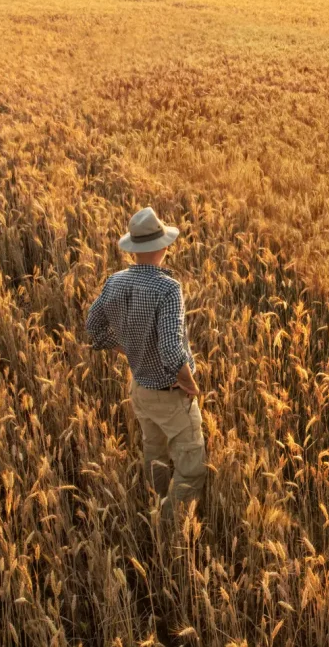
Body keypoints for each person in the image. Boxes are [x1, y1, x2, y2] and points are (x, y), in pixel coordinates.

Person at [86, 206, 206, 520]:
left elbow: (93, 327)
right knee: (192, 471)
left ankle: (156, 505)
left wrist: (126, 349)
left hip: (139, 386)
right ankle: (167, 525)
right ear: (162, 247)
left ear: (135, 249)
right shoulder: (168, 288)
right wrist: (191, 386)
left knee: (155, 453)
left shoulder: (115, 282)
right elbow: (170, 349)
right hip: (169, 393)